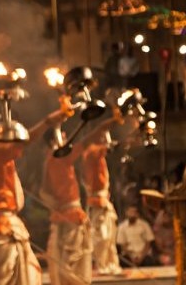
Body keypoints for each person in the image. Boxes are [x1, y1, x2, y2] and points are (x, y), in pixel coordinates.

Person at [0, 109, 68, 285]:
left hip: (8, 224)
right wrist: (47, 121)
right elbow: (25, 141)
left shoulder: (2, 156)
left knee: (29, 275)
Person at [41, 117, 118, 285]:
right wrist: (108, 122)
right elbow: (86, 140)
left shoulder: (49, 160)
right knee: (75, 267)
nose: (66, 137)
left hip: (63, 217)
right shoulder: (59, 157)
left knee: (68, 265)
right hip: (71, 218)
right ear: (55, 139)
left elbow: (45, 192)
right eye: (62, 134)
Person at [81, 129, 123, 275]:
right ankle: (102, 265)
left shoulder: (99, 156)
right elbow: (108, 146)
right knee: (102, 237)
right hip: (97, 201)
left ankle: (111, 264)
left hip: (104, 200)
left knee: (110, 236)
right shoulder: (92, 152)